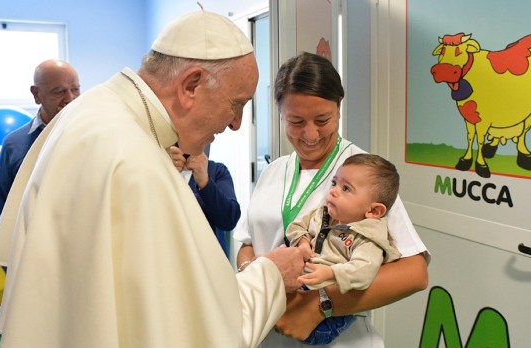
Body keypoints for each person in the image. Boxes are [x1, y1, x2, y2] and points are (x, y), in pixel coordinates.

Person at [0, 10, 309, 348]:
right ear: (191, 85)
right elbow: (197, 332)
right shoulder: (135, 163)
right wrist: (271, 275)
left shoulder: (91, 112)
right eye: (236, 104)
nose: (236, 124)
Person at [233, 52, 429, 347]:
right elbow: (248, 243)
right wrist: (255, 273)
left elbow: (414, 274)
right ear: (279, 112)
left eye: (322, 119)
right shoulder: (273, 171)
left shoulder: (360, 172)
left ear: (339, 107)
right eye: (296, 121)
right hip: (267, 334)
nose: (310, 134)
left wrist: (320, 306)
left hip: (337, 338)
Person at [287, 153, 402, 345]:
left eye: (346, 188)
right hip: (307, 286)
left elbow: (363, 271)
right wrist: (303, 243)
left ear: (373, 211)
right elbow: (297, 226)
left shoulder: (367, 239)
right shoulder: (323, 212)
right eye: (334, 183)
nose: (333, 191)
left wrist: (330, 273)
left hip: (330, 317)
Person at [0, 59, 80, 228]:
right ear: (36, 95)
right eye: (59, 91)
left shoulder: (92, 135)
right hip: (32, 245)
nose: (70, 98)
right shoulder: (14, 145)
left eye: (75, 89)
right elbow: (3, 211)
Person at [170, 144, 240, 256]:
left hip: (208, 258)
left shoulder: (216, 171)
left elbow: (229, 219)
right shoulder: (162, 168)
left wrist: (205, 182)